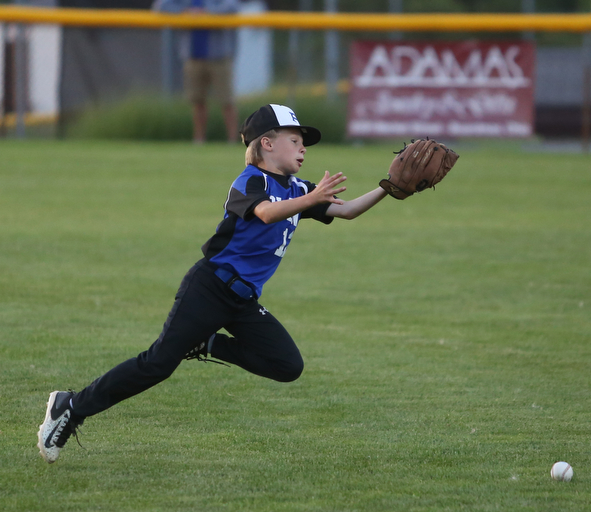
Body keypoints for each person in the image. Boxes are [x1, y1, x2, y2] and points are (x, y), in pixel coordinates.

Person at [37, 104, 389, 464]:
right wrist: (310, 199)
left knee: (287, 365)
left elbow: (347, 210)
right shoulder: (251, 180)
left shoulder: (299, 188)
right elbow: (266, 212)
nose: (303, 149)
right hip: (209, 287)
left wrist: (389, 188)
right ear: (266, 143)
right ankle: (72, 405)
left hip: (243, 300)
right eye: (295, 140)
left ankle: (208, 343)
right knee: (157, 364)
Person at [153, 0, 240, 143]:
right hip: (193, 56)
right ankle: (199, 140)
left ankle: (233, 140)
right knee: (197, 101)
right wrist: (186, 11)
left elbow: (233, 7)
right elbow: (160, 6)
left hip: (219, 56)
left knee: (226, 101)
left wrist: (206, 12)